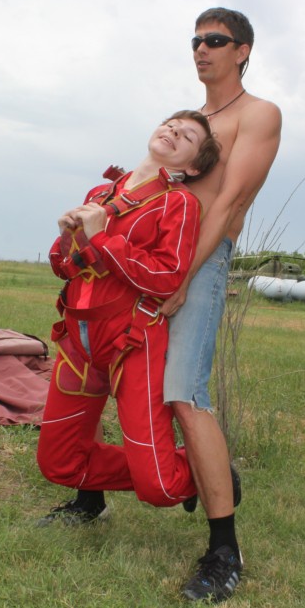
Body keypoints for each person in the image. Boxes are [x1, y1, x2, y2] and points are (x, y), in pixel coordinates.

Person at [35, 111, 221, 523]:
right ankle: (156, 469)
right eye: (171, 124)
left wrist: (103, 237)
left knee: (161, 488)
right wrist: (66, 238)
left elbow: (167, 278)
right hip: (78, 341)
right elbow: (65, 267)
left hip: (132, 342)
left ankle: (203, 473)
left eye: (188, 136)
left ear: (193, 167)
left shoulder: (179, 203)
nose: (174, 131)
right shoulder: (101, 194)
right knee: (58, 464)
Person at [163, 8, 283, 603]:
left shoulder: (258, 114)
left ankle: (224, 552)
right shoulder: (188, 122)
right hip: (157, 259)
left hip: (200, 264)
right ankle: (88, 496)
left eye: (215, 40)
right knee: (121, 375)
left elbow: (232, 199)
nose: (201, 49)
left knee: (185, 394)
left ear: (243, 51)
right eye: (196, 40)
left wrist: (184, 276)